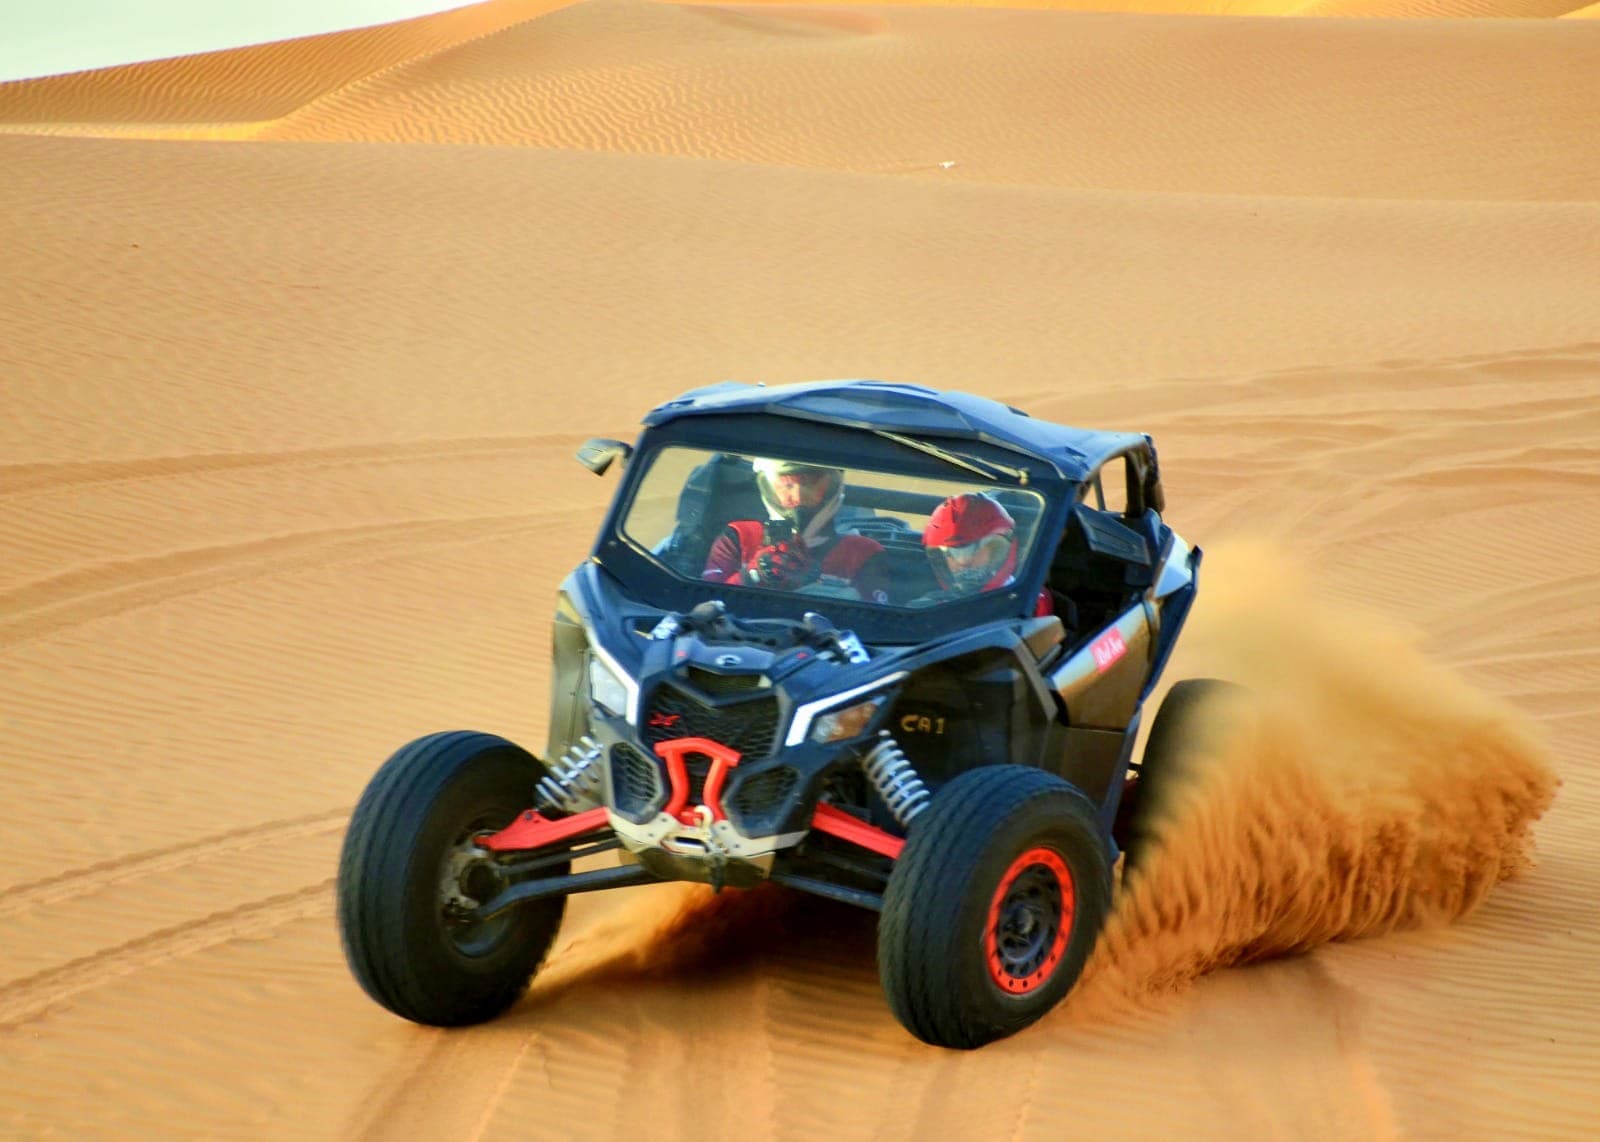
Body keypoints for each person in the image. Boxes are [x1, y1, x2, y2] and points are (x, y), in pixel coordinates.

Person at [702, 458, 891, 603]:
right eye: (787, 485)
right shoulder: (740, 536)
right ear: (767, 487)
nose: (798, 497)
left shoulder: (862, 552)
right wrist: (752, 575)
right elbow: (705, 605)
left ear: (833, 487)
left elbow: (878, 621)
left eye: (810, 484)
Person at [922, 492, 1056, 617]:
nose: (962, 561)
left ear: (997, 549)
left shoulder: (1029, 603)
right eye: (949, 553)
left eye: (973, 550)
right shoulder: (928, 606)